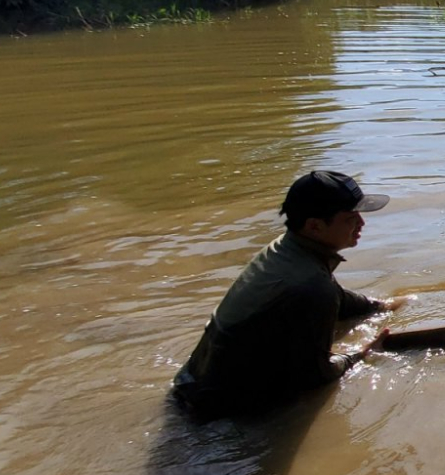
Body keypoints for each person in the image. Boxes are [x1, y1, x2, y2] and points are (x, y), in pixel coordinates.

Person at [171, 171, 399, 420]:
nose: (361, 223)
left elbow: (337, 297)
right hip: (216, 415)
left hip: (190, 384)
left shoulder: (285, 248)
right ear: (314, 226)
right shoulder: (311, 287)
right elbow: (315, 377)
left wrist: (382, 306)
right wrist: (362, 352)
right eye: (350, 217)